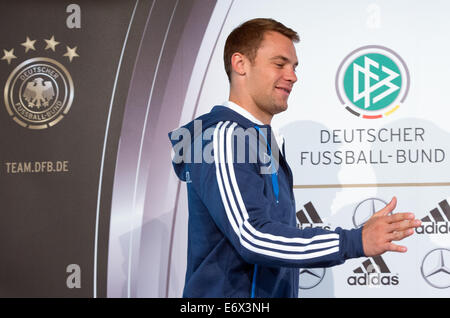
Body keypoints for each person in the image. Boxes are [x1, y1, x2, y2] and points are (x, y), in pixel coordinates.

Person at [168, 18, 421, 298]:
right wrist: (355, 241)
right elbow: (253, 237)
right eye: (279, 64)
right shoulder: (224, 138)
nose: (292, 76)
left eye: (294, 67)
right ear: (240, 64)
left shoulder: (259, 140)